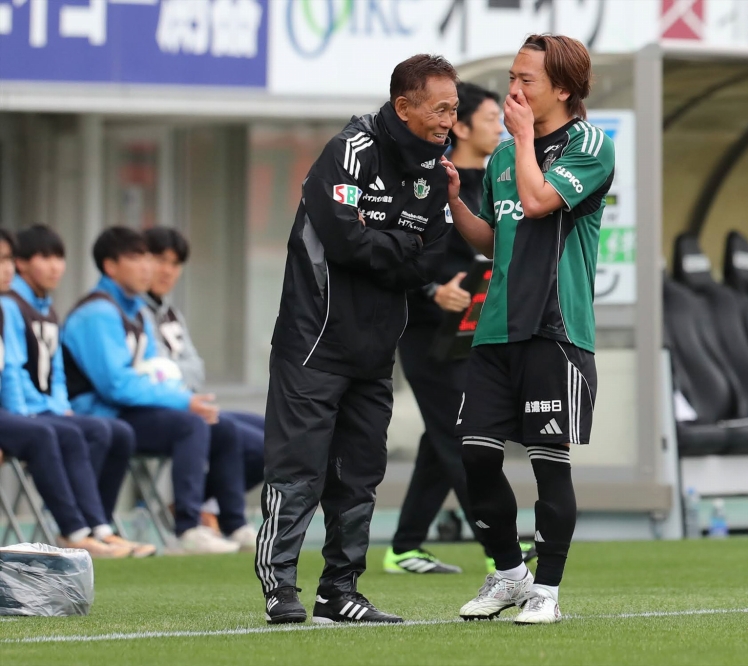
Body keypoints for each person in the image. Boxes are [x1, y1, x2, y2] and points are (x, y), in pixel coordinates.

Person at [255, 54, 456, 625]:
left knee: (360, 476)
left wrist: (387, 245)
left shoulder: (436, 170)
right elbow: (343, 240)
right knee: (298, 470)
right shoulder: (351, 149)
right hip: (313, 342)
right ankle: (279, 587)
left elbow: (434, 257)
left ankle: (339, 591)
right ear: (404, 107)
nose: (450, 120)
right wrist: (401, 247)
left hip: (375, 352)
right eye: (441, 109)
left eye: (454, 109)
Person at [443, 34, 615, 625]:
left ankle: (548, 590)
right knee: (474, 457)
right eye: (511, 78)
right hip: (496, 331)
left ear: (563, 89)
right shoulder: (499, 159)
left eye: (527, 80)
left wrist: (520, 140)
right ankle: (510, 573)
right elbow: (495, 240)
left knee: (548, 464)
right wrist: (457, 204)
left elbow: (539, 201)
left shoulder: (589, 145)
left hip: (554, 330)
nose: (512, 90)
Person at [384, 82, 536, 575]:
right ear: (462, 128)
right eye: (490, 118)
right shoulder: (429, 180)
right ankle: (501, 548)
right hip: (426, 331)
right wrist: (432, 291)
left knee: (443, 437)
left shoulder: (494, 179)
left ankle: (404, 547)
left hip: (474, 331)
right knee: (462, 434)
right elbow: (398, 253)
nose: (499, 127)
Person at [62, 226, 252, 554]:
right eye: (137, 259)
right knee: (190, 424)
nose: (148, 268)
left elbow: (160, 370)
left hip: (132, 410)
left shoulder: (137, 311)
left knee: (223, 429)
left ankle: (233, 525)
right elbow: (116, 385)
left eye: (148, 259)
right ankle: (187, 529)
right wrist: (182, 400)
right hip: (100, 413)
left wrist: (179, 397)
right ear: (110, 266)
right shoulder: (97, 313)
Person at [0, 228, 141, 558]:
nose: (55, 266)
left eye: (6, 259)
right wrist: (25, 415)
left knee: (112, 432)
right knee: (48, 433)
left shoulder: (44, 308)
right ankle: (75, 531)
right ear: (25, 264)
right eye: (45, 257)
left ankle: (99, 526)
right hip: (21, 412)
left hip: (35, 409)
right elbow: (13, 373)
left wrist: (59, 406)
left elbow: (55, 371)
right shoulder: (10, 305)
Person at [140, 226, 265, 530]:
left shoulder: (171, 313)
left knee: (275, 436)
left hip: (187, 403)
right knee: (235, 434)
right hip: (158, 409)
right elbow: (154, 370)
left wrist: (173, 370)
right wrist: (174, 372)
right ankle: (205, 514)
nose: (167, 271)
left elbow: (196, 368)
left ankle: (202, 505)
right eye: (160, 260)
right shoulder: (134, 312)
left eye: (175, 263)